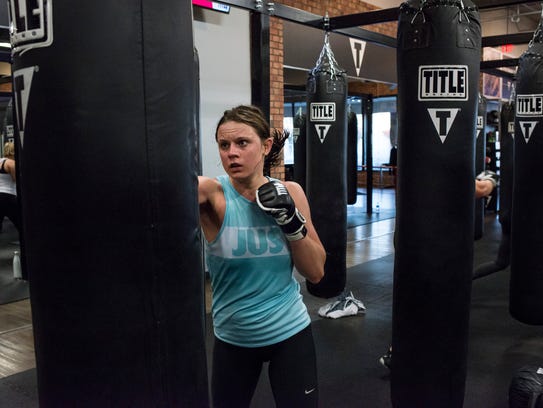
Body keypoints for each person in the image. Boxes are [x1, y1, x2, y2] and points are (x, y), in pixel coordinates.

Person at [198, 105, 326, 407]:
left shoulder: (291, 193)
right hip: (233, 337)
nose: (232, 153)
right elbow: (160, 186)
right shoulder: (212, 194)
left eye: (243, 143)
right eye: (224, 144)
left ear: (266, 145)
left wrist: (292, 224)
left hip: (290, 331)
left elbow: (317, 272)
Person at [379, 170, 499, 369]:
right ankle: (425, 352)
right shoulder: (448, 162)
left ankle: (400, 350)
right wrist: (492, 181)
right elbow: (480, 189)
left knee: (413, 297)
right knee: (438, 298)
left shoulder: (413, 161)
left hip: (407, 236)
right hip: (434, 241)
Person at [0, 141, 21, 233]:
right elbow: (17, 180)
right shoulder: (11, 163)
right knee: (20, 222)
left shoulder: (0, 161)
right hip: (8, 196)